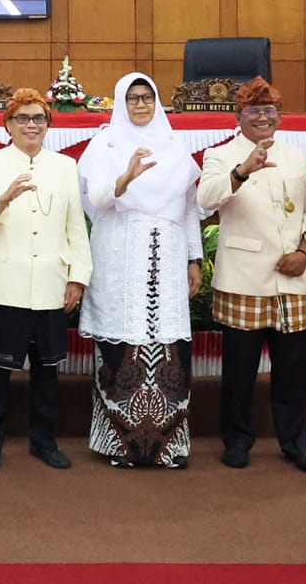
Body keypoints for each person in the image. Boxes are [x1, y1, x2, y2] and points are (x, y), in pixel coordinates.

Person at [197, 77, 306, 474]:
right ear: (238, 118)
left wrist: (304, 252)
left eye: (270, 111)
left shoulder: (294, 156)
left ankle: (295, 444)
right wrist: (242, 171)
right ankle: (237, 442)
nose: (263, 118)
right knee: (239, 373)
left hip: (291, 279)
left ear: (279, 117)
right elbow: (206, 200)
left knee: (293, 372)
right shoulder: (220, 156)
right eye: (254, 112)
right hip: (244, 278)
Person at [77, 72, 203, 468]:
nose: (141, 104)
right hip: (118, 250)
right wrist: (125, 178)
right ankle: (120, 446)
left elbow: (188, 208)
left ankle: (169, 447)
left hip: (166, 253)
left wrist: (194, 259)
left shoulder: (173, 145)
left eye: (148, 96)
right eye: (132, 98)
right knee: (120, 345)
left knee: (168, 345)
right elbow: (95, 197)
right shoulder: (105, 144)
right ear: (120, 103)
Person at [0, 87, 90, 471]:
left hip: (52, 284)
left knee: (47, 370)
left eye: (39, 118)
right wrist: (4, 198)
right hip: (6, 282)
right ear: (8, 124)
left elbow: (76, 226)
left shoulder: (65, 166)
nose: (31, 125)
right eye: (22, 118)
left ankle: (44, 440)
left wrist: (78, 277)